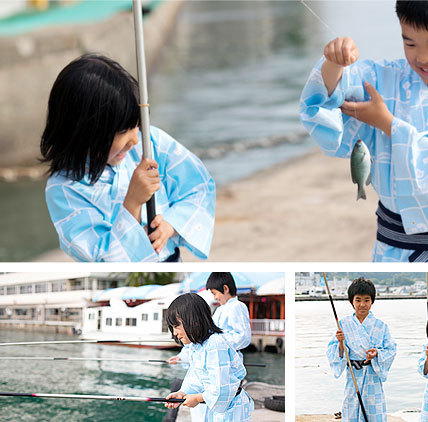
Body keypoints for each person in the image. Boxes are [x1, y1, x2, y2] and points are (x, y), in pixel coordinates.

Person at [299, 0, 428, 262]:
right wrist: (335, 63)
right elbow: (328, 97)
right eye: (410, 43)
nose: (422, 57)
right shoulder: (387, 76)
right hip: (389, 250)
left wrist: (388, 124)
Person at [41, 54, 215, 262]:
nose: (134, 138)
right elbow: (103, 259)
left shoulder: (151, 142)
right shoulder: (63, 189)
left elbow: (199, 186)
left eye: (137, 125)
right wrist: (132, 203)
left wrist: (171, 225)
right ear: (87, 132)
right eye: (124, 130)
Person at [164, 293, 253, 421]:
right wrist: (182, 393)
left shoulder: (215, 345)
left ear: (194, 322)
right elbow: (195, 377)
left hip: (231, 412)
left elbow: (222, 389)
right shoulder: (198, 346)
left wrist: (197, 398)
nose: (174, 332)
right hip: (218, 411)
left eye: (176, 326)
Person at [327, 278, 397, 421]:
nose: (362, 304)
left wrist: (377, 353)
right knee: (352, 410)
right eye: (358, 300)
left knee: (373, 412)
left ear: (372, 301)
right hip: (353, 376)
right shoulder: (343, 324)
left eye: (366, 300)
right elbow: (335, 352)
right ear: (351, 301)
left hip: (372, 376)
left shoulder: (381, 325)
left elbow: (391, 349)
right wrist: (341, 343)